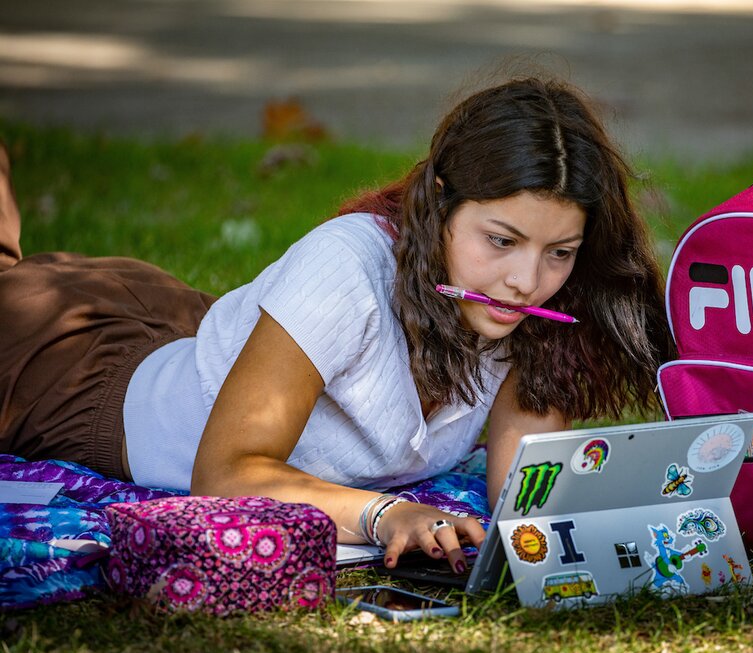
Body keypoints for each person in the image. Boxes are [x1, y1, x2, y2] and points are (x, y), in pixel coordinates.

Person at [0, 77, 673, 574]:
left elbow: (526, 499)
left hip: (198, 330)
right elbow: (225, 472)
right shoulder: (347, 267)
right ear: (439, 202)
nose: (527, 280)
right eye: (502, 240)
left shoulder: (532, 308)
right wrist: (385, 514)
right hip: (79, 379)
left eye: (559, 252)